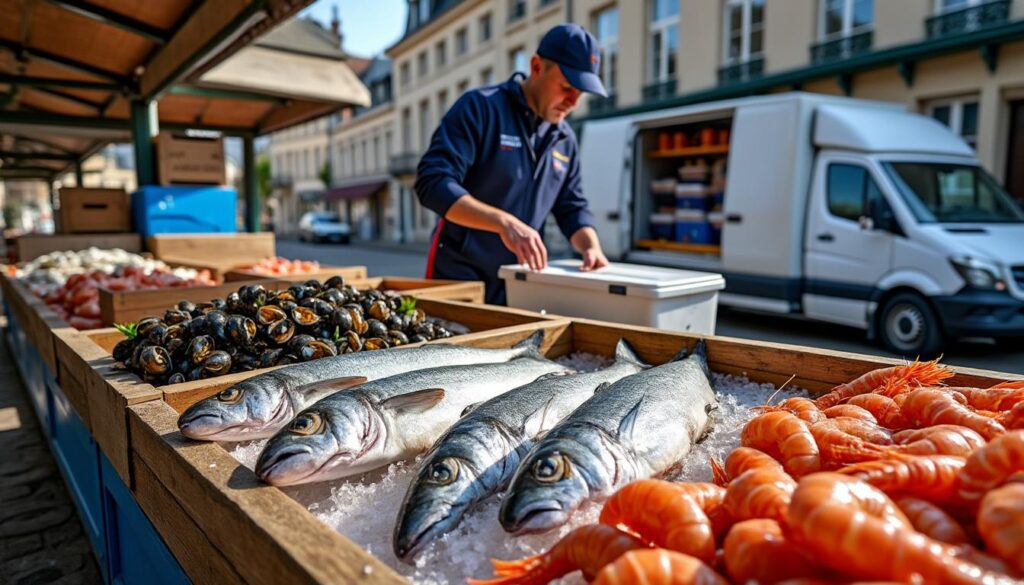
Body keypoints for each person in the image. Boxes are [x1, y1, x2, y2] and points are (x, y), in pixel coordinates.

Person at [415, 23, 610, 305]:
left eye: (580, 93)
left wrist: (591, 247)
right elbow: (432, 182)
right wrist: (504, 224)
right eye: (567, 87)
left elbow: (571, 206)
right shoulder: (480, 107)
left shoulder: (565, 138)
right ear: (536, 67)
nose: (573, 102)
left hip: (520, 279)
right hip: (459, 275)